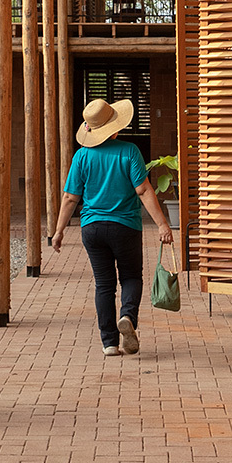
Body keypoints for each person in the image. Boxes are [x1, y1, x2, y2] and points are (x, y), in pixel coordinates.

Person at [50, 96, 173, 357]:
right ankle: (127, 316)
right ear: (115, 128)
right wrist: (162, 224)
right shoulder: (129, 151)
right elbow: (143, 190)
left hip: (92, 228)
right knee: (130, 276)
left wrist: (59, 231)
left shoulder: (82, 156)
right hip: (125, 227)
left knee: (104, 284)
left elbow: (70, 197)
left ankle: (109, 343)